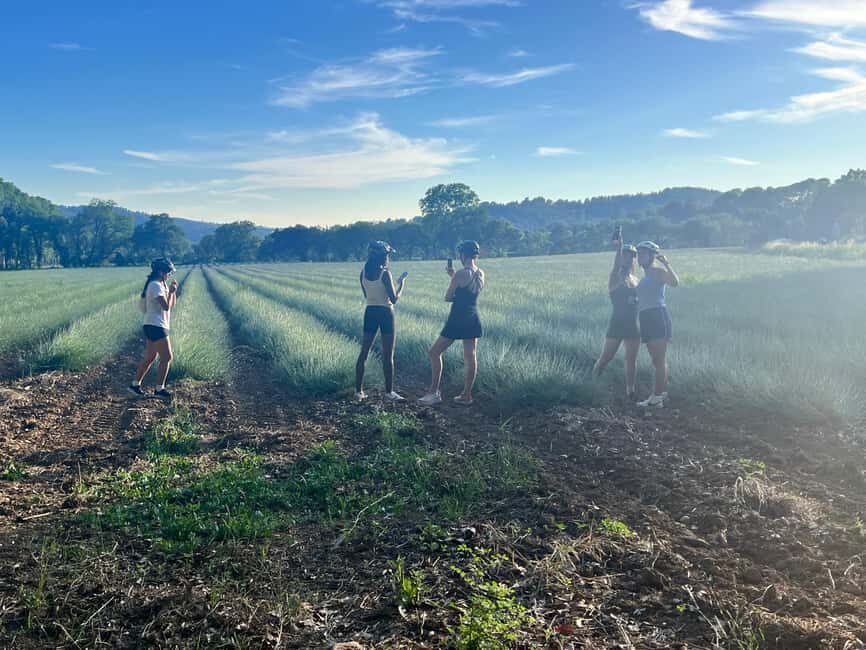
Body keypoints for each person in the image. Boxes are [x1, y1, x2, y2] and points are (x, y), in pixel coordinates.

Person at [419, 241, 485, 406]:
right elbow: (468, 294)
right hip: (473, 318)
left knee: (434, 352)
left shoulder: (460, 274)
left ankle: (434, 392)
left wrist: (453, 277)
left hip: (457, 318)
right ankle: (467, 395)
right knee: (471, 357)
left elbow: (448, 297)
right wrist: (453, 276)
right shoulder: (481, 273)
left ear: (462, 255)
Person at [355, 241, 407, 401]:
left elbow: (367, 295)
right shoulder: (385, 273)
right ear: (384, 256)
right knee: (388, 355)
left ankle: (358, 391)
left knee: (364, 352)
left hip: (370, 312)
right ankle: (389, 392)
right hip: (386, 313)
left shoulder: (363, 272)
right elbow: (394, 299)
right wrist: (402, 284)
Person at [593, 244, 640, 399]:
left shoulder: (635, 279)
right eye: (625, 255)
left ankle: (630, 391)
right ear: (620, 256)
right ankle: (591, 382)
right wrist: (619, 246)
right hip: (617, 323)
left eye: (632, 256)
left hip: (633, 323)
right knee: (606, 357)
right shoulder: (615, 276)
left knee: (631, 358)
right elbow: (615, 265)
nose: (629, 258)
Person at [635, 241, 679, 407]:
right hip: (645, 316)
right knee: (656, 360)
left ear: (652, 255)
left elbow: (675, 283)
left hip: (658, 316)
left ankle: (656, 398)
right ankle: (661, 394)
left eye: (643, 254)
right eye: (639, 254)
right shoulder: (645, 276)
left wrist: (666, 263)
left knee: (659, 360)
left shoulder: (657, 272)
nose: (640, 257)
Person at [130, 258, 178, 398]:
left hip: (153, 324)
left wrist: (172, 292)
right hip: (156, 325)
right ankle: (159, 389)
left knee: (150, 357)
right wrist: (171, 292)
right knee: (167, 357)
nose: (169, 274)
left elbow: (170, 306)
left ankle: (134, 385)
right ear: (161, 272)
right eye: (168, 272)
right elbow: (166, 306)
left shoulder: (160, 285)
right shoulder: (155, 285)